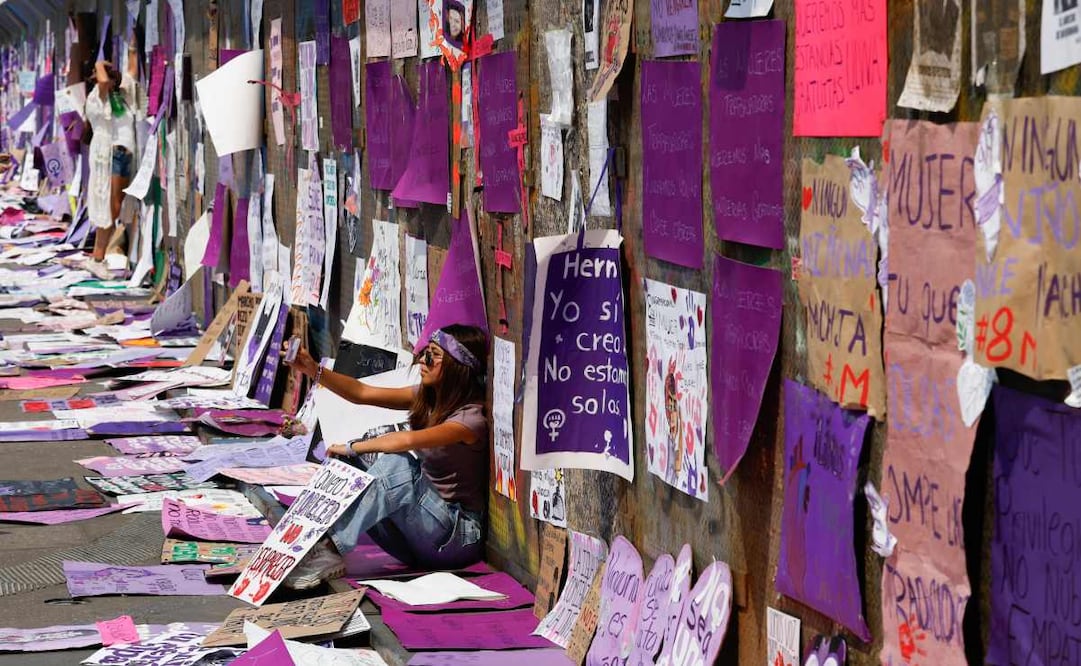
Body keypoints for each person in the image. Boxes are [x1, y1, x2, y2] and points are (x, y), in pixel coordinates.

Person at [282, 324, 489, 588]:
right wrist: (312, 369)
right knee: (351, 465)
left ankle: (330, 550)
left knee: (396, 465)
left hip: (455, 540)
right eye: (426, 352)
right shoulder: (430, 398)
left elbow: (405, 441)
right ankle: (309, 542)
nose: (423, 361)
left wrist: (353, 446)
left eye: (434, 355)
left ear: (458, 368)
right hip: (418, 538)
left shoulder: (469, 419)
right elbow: (361, 393)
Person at [84, 52, 138, 280]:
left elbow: (133, 70)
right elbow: (104, 81)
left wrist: (134, 45)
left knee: (114, 208)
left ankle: (98, 258)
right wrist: (99, 64)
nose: (112, 78)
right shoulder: (97, 97)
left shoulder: (121, 98)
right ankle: (98, 258)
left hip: (123, 155)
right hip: (110, 154)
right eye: (106, 74)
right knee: (111, 208)